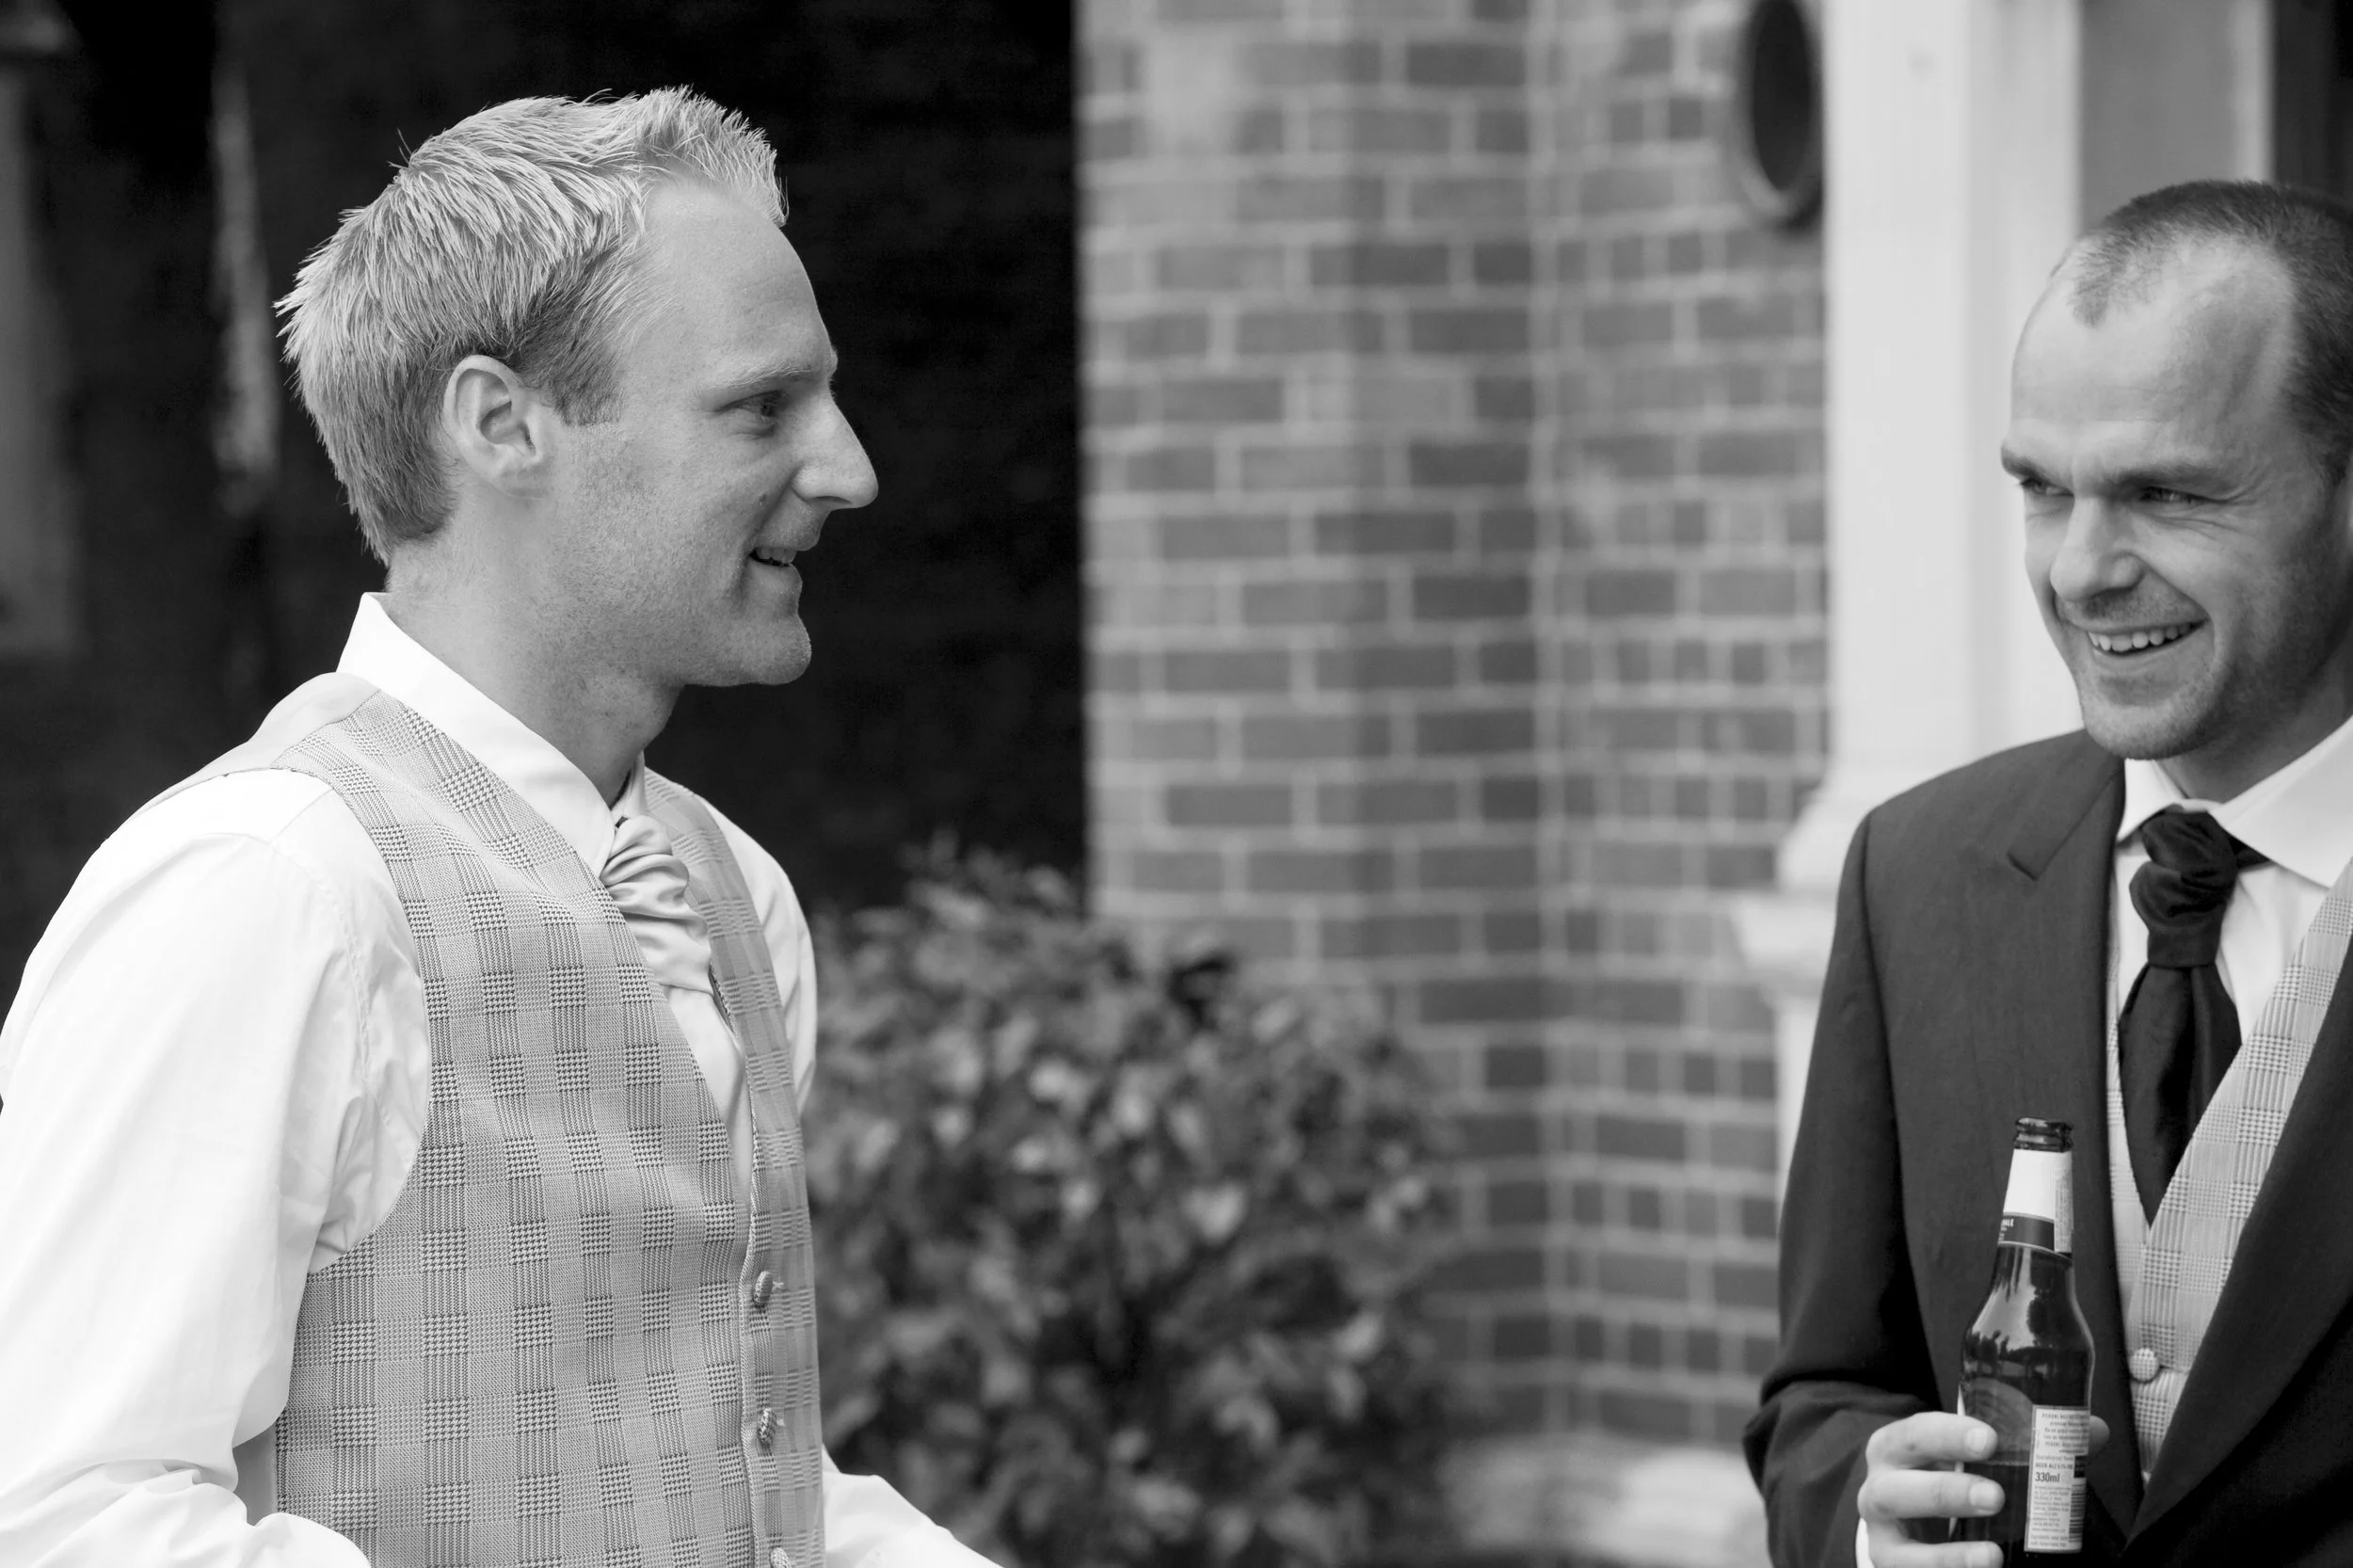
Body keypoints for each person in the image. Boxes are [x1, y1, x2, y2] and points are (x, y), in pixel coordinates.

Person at [0, 88, 1000, 1568]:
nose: (847, 467)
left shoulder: (741, 896)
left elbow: (732, 1484)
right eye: (759, 406)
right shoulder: (269, 889)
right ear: (501, 423)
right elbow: (68, 1516)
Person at [1747, 180, 2353, 1565]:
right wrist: (1861, 1511)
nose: (2081, 569)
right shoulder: (1918, 872)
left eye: (2166, 493)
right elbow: (1825, 1397)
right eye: (2041, 488)